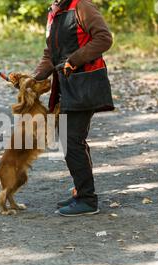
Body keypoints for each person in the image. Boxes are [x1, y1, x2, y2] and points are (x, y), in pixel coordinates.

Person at [33, 0, 114, 217]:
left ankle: (88, 199)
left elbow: (104, 39)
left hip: (86, 83)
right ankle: (81, 193)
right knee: (68, 139)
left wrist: (74, 60)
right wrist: (33, 79)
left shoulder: (82, 7)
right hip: (67, 86)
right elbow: (50, 55)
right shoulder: (54, 12)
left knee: (70, 140)